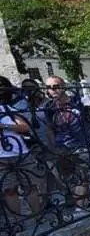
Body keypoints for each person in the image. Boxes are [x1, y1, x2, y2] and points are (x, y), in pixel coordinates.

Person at [43, 76, 90, 209]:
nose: (52, 90)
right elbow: (50, 128)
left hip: (81, 144)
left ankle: (81, 209)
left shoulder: (77, 101)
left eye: (55, 86)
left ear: (63, 87)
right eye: (48, 88)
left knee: (83, 177)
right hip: (62, 146)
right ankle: (85, 202)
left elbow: (89, 118)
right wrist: (54, 147)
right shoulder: (49, 107)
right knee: (71, 179)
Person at [0, 76, 45, 216]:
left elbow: (25, 127)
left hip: (20, 152)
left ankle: (38, 216)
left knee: (30, 186)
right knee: (9, 189)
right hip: (1, 157)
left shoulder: (6, 108)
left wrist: (4, 126)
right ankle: (17, 222)